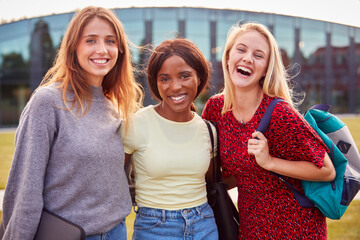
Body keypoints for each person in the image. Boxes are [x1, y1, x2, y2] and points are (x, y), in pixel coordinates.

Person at [0, 6, 143, 240]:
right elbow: (25, 190)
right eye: (90, 40)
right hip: (66, 234)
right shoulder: (48, 102)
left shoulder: (116, 105)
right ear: (73, 47)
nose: (102, 49)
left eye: (110, 41)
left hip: (116, 232)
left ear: (120, 50)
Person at [202, 22, 336, 239]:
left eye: (258, 55)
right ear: (228, 57)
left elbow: (326, 170)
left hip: (297, 229)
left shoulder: (280, 113)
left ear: (265, 69)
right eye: (241, 49)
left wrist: (269, 162)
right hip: (250, 228)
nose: (247, 58)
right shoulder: (216, 109)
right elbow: (235, 173)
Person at [120, 39, 218, 240]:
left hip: (204, 225)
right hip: (154, 228)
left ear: (199, 77)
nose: (175, 86)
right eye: (164, 79)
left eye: (184, 76)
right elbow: (110, 180)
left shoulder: (207, 130)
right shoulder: (136, 124)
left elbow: (213, 180)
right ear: (155, 83)